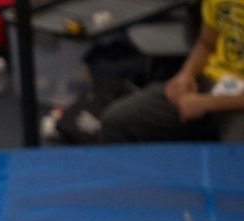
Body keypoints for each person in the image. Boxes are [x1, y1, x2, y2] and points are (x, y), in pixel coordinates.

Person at [100, 0, 244, 143]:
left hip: (235, 102)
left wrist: (206, 103)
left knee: (236, 156)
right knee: (117, 121)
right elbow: (206, 43)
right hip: (209, 82)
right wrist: (186, 75)